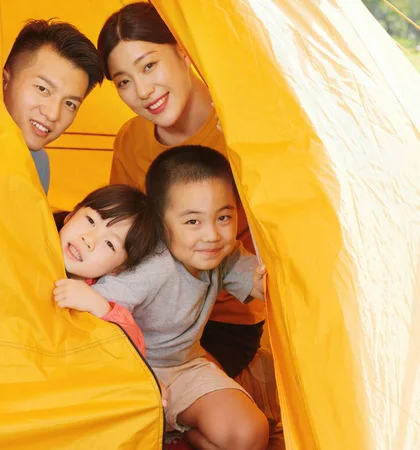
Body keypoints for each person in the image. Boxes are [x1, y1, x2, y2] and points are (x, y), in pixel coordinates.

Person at [97, 5, 284, 446]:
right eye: (124, 81)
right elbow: (122, 240)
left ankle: (233, 394)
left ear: (181, 51)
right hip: (146, 315)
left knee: (227, 420)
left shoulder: (242, 125)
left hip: (221, 321)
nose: (142, 90)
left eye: (149, 65)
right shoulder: (131, 139)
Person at [55, 146, 269, 449]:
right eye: (192, 221)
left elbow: (266, 287)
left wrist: (274, 278)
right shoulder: (149, 267)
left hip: (185, 368)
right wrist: (141, 382)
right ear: (160, 223)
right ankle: (168, 426)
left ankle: (177, 428)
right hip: (129, 370)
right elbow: (93, 319)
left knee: (249, 434)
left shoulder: (225, 254)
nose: (211, 234)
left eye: (223, 217)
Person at [53, 184, 159, 359]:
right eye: (91, 221)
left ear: (118, 269)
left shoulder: (104, 296)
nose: (89, 239)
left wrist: (99, 306)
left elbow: (133, 354)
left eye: (110, 244)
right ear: (72, 214)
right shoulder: (33, 234)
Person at [3, 20, 104, 193]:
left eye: (70, 104)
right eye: (43, 89)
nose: (53, 114)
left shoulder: (38, 163)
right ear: (4, 81)